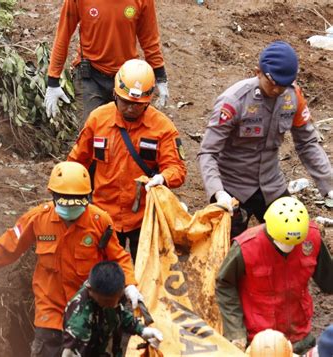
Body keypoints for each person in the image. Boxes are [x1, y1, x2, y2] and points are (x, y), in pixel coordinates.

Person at [0, 162, 144, 357]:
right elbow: (9, 246)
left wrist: (130, 285)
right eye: (65, 200)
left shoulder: (100, 222)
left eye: (76, 200)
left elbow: (118, 256)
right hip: (50, 311)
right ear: (53, 195)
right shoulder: (38, 219)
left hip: (87, 310)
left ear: (87, 197)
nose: (70, 208)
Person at [197, 41, 332, 238]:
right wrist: (218, 192)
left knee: (293, 236)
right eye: (273, 83)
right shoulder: (234, 101)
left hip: (271, 184)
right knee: (228, 251)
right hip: (233, 187)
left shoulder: (293, 97)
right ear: (258, 72)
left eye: (283, 85)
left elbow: (307, 143)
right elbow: (208, 152)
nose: (277, 90)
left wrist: (328, 185)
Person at [68, 59, 186, 261]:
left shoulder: (163, 128)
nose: (131, 108)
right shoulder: (98, 120)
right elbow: (77, 162)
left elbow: (177, 168)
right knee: (106, 276)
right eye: (126, 102)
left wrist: (163, 178)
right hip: (104, 215)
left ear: (148, 101)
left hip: (144, 217)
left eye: (138, 105)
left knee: (146, 275)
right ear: (115, 94)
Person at [215, 197, 333, 355]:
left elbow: (329, 281)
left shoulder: (311, 239)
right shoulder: (246, 247)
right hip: (261, 342)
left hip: (300, 336)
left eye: (294, 244)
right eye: (284, 242)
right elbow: (225, 285)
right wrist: (235, 332)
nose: (289, 248)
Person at [44, 0, 169, 122]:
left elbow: (149, 39)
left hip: (127, 78)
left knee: (128, 130)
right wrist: (53, 81)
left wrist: (160, 77)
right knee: (90, 129)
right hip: (90, 75)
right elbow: (63, 35)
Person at [62, 261, 163, 357]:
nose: (114, 304)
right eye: (109, 301)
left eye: (118, 298)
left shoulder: (108, 296)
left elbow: (119, 314)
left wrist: (141, 330)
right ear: (90, 290)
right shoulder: (79, 325)